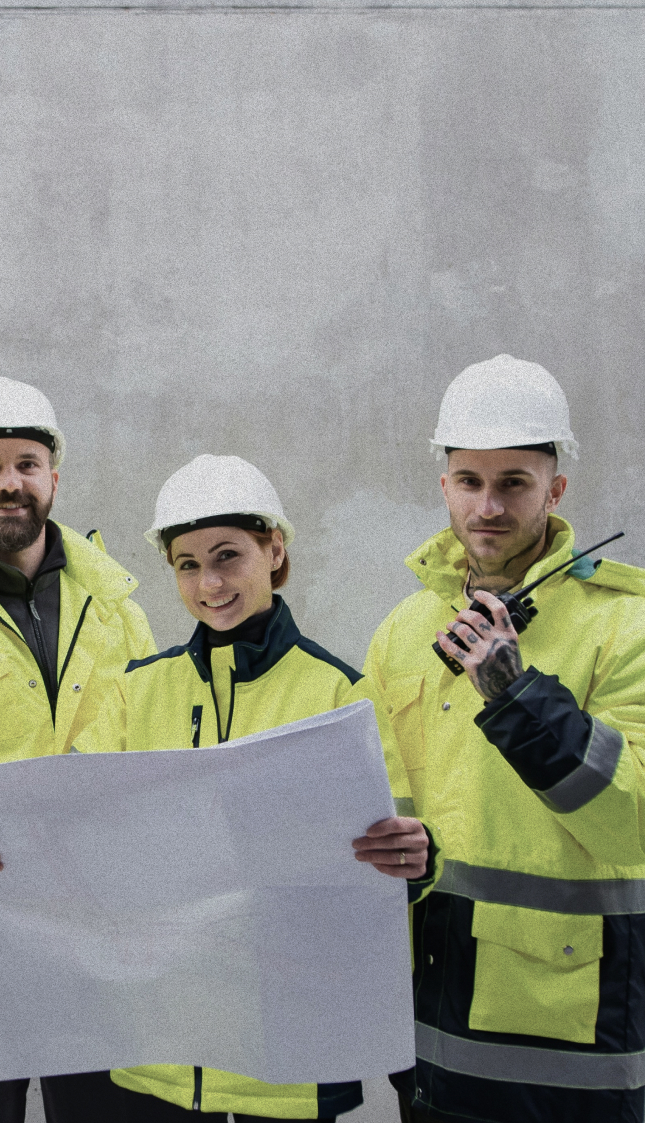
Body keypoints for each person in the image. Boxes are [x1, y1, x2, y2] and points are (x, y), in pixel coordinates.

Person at [73, 453, 435, 1122]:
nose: (208, 583)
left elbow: (393, 869)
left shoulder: (337, 693)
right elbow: (74, 823)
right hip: (167, 1046)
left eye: (227, 556)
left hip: (291, 1054)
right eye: (187, 564)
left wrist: (417, 861)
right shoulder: (135, 691)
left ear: (276, 550)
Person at [365, 353, 645, 1123]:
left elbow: (633, 823)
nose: (487, 506)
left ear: (555, 489)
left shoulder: (625, 625)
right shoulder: (403, 630)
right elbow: (379, 816)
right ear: (444, 483)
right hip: (428, 1023)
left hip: (566, 1034)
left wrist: (519, 696)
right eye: (469, 481)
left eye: (514, 483)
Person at [0, 377, 157, 1123]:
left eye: (26, 462)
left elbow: (152, 763)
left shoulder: (118, 611)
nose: (8, 482)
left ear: (55, 476)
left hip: (97, 946)